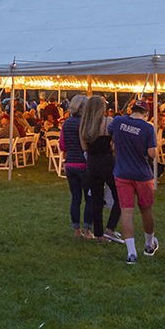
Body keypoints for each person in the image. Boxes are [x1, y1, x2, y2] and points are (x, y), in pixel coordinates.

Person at [109, 100, 159, 264]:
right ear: (146, 113)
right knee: (146, 209)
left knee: (127, 212)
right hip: (142, 174)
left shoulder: (118, 121)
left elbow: (110, 131)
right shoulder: (147, 128)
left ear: (132, 110)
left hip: (122, 172)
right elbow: (152, 153)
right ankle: (149, 244)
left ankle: (131, 253)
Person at [80, 96, 123, 244]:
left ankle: (99, 234)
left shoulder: (84, 125)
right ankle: (110, 228)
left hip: (92, 162)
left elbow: (84, 147)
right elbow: (115, 143)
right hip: (107, 160)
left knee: (97, 199)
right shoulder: (108, 122)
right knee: (120, 196)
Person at [62, 95, 92, 238]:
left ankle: (76, 230)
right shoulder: (86, 124)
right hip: (84, 163)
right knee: (89, 198)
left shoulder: (66, 123)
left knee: (75, 198)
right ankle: (87, 230)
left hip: (70, 163)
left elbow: (62, 145)